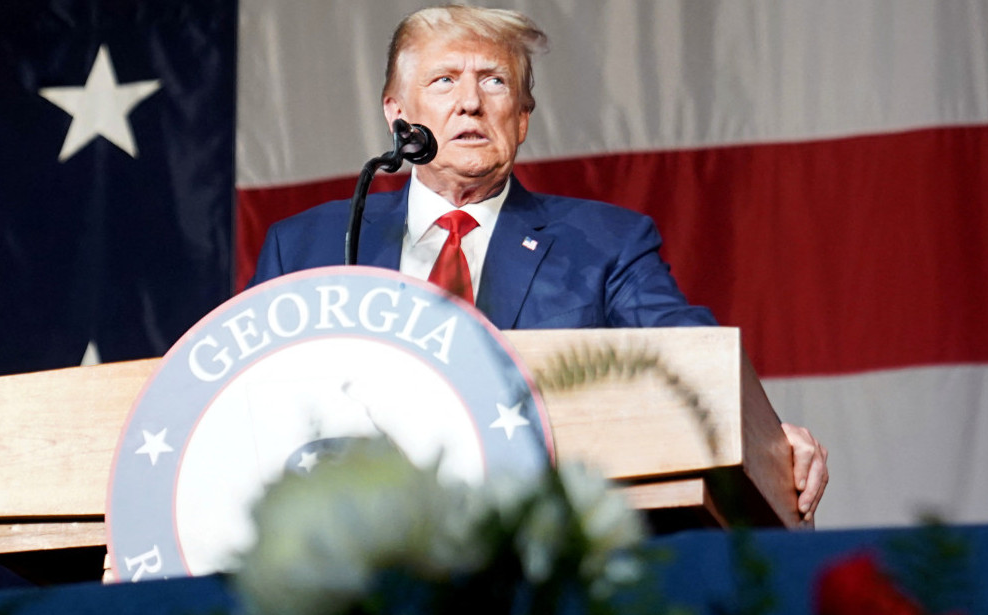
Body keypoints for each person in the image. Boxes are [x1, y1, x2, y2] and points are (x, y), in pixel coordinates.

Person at [250, 5, 827, 523]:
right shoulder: (307, 246)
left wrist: (769, 439)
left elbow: (685, 356)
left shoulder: (606, 243)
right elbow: (244, 399)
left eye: (494, 81)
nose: (469, 102)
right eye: (444, 80)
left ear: (522, 118)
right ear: (399, 114)